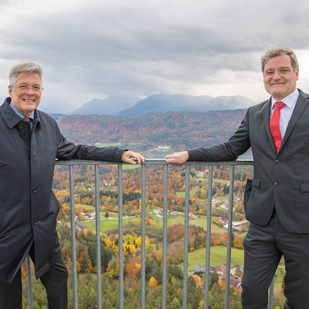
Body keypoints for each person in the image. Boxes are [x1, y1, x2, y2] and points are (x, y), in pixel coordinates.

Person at [166, 46, 309, 309]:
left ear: (297, 73)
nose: (276, 76)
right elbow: (231, 149)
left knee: (301, 297)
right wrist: (189, 154)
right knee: (252, 292)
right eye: (269, 72)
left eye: (283, 70)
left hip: (303, 220)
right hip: (263, 219)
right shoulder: (255, 113)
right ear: (263, 76)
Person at [0, 60, 145, 309]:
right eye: (23, 86)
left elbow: (75, 150)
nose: (30, 92)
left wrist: (117, 153)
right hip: (6, 227)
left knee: (57, 279)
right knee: (7, 290)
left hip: (43, 224)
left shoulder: (47, 124)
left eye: (36, 87)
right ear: (10, 89)